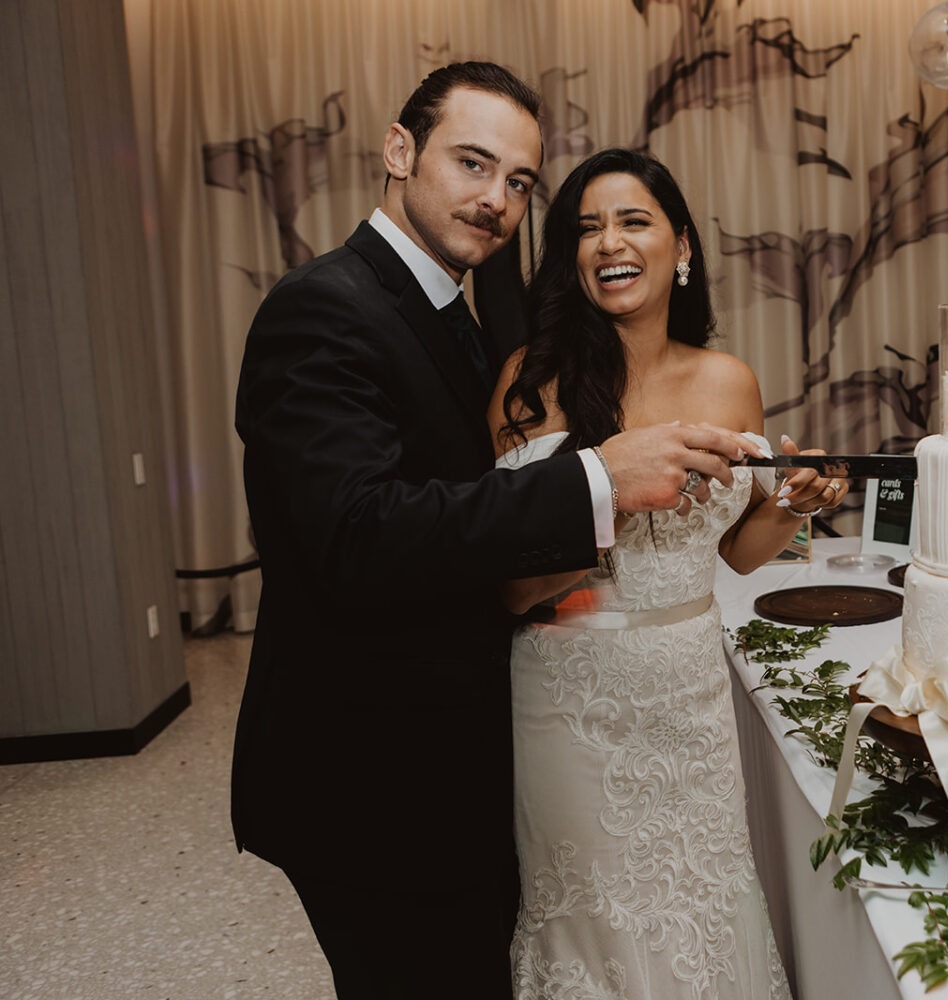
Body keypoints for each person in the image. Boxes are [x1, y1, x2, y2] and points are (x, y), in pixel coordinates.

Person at [232, 65, 762, 999]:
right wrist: (598, 477)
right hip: (372, 779)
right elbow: (355, 533)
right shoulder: (324, 308)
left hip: (460, 762)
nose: (496, 200)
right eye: (473, 163)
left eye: (518, 182)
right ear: (399, 152)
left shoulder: (460, 320)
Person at [488, 147, 849, 999]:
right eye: (586, 228)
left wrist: (796, 502)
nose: (608, 241)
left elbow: (733, 553)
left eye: (632, 220)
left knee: (704, 905)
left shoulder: (728, 383)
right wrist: (615, 493)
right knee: (592, 924)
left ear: (681, 247)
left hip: (689, 694)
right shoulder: (528, 385)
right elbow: (510, 587)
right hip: (570, 697)